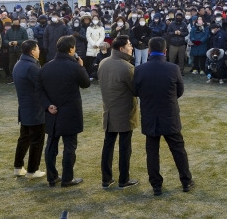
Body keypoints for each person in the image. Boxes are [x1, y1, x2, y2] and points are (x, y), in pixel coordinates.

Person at [134, 37, 193, 196]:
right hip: (169, 115)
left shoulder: (140, 70)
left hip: (150, 115)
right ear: (165, 51)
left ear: (149, 50)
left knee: (152, 152)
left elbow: (135, 91)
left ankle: (156, 186)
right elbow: (179, 91)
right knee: (178, 150)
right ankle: (186, 181)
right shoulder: (173, 69)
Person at [37, 35, 91, 187]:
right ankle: (67, 178)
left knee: (51, 145)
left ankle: (52, 177)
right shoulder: (74, 66)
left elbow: (38, 90)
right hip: (70, 112)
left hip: (52, 112)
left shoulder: (46, 67)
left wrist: (48, 105)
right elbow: (86, 83)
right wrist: (81, 66)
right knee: (69, 146)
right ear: (71, 49)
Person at [98, 35, 139, 189]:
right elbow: (135, 89)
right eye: (129, 45)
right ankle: (124, 179)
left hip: (108, 111)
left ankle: (106, 179)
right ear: (121, 49)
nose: (131, 47)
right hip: (124, 112)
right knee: (125, 147)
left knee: (108, 145)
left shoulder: (103, 62)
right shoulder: (127, 67)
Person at [13, 40, 46, 180]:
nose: (39, 51)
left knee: (24, 139)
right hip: (35, 109)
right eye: (37, 48)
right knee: (36, 140)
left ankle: (18, 167)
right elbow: (42, 85)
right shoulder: (31, 67)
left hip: (25, 108)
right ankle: (33, 170)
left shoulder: (19, 64)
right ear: (32, 51)